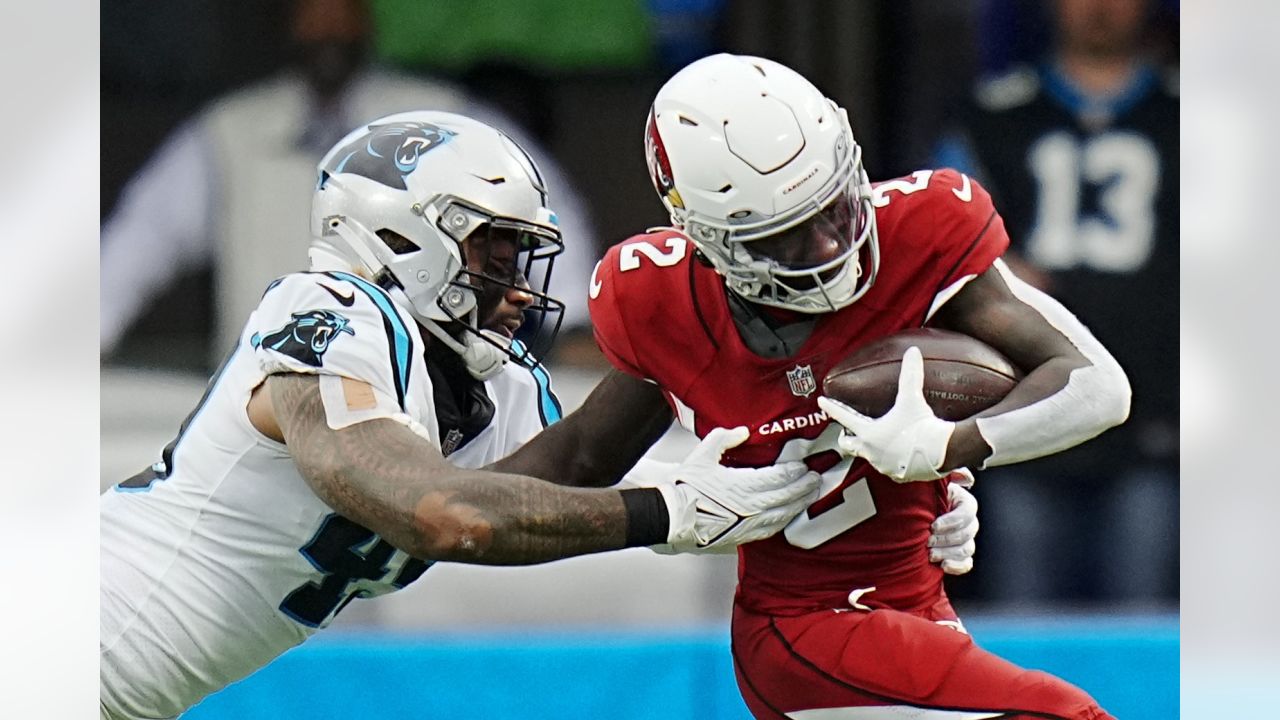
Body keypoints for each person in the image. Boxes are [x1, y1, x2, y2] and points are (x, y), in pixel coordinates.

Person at [99, 109, 983, 719]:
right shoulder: (326, 315)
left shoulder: (496, 386)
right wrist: (672, 512)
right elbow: (442, 514)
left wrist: (896, 495)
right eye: (493, 248)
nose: (520, 283)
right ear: (401, 236)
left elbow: (683, 483)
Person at [573, 54, 1130, 718]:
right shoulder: (664, 303)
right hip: (808, 630)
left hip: (917, 603)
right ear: (709, 242)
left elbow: (1098, 386)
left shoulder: (915, 234)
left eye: (835, 207)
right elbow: (579, 461)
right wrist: (667, 503)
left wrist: (948, 453)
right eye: (787, 237)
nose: (830, 244)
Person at [100, 0, 597, 364]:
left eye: (342, 8)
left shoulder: (437, 113)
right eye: (312, 9)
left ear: (367, 16)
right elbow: (141, 240)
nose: (328, 22)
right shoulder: (230, 132)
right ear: (287, 20)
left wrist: (574, 321)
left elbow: (533, 201)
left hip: (417, 390)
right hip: (260, 397)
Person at [931, 0, 1178, 603]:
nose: (1099, 8)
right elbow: (929, 246)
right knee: (1026, 640)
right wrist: (986, 270)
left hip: (1153, 427)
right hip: (1024, 423)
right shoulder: (989, 116)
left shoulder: (1192, 118)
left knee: (1139, 637)